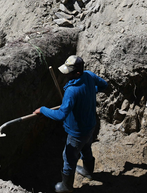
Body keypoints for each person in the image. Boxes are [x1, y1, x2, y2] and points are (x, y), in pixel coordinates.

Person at [33, 56, 109, 192]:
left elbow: (61, 115)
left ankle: (66, 187)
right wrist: (90, 92)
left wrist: (43, 110)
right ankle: (88, 171)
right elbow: (104, 85)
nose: (65, 75)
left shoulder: (72, 91)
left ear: (77, 73)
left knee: (68, 157)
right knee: (86, 148)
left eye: (68, 72)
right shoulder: (89, 76)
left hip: (77, 132)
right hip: (90, 125)